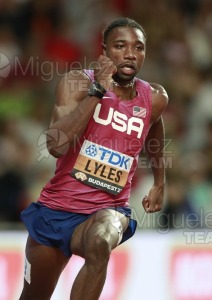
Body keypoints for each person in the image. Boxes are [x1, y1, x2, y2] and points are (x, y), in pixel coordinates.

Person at [19, 17, 168, 300]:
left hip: (107, 209)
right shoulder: (77, 82)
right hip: (56, 211)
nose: (130, 54)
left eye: (138, 48)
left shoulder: (155, 97)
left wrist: (159, 181)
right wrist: (98, 91)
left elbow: (155, 125)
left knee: (102, 240)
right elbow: (56, 146)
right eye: (120, 46)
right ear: (104, 50)